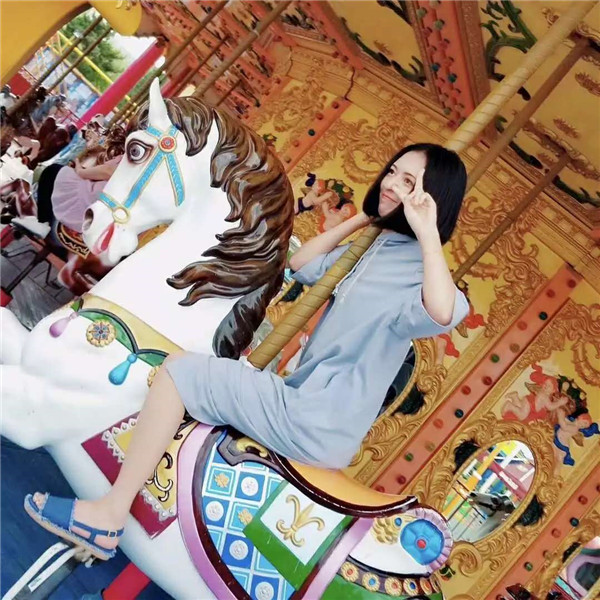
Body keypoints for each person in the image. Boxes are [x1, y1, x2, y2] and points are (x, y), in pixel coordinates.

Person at [26, 142, 470, 559]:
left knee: (182, 372)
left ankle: (109, 514)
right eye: (392, 172)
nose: (391, 184)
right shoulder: (374, 247)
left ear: (433, 200)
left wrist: (429, 234)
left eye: (409, 182)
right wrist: (363, 220)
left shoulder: (421, 270)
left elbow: (443, 310)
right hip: (299, 396)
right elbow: (301, 264)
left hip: (319, 417)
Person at [35, 155, 122, 233]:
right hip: (107, 206)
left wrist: (79, 169)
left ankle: (42, 222)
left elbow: (107, 171)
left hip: (95, 198)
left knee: (51, 172)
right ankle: (42, 221)